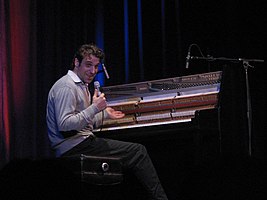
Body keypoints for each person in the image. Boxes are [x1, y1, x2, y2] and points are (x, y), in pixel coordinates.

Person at [46, 43, 169, 200]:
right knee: (138, 152)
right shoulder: (67, 87)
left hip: (80, 142)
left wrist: (104, 115)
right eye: (88, 65)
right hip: (73, 147)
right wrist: (95, 108)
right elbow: (65, 125)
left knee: (130, 150)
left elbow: (81, 121)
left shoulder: (81, 85)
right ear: (76, 62)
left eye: (96, 66)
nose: (93, 71)